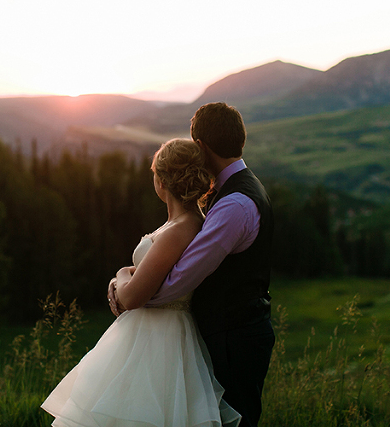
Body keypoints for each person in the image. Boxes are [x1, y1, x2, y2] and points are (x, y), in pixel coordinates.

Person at [41, 138, 241, 427]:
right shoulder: (184, 224)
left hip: (158, 339)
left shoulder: (182, 227)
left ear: (162, 181)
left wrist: (121, 274)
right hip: (152, 331)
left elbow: (131, 298)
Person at [110, 102, 275, 427]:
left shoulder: (234, 205)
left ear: (200, 146)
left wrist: (128, 295)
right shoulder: (235, 191)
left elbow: (183, 279)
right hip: (230, 332)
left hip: (234, 338)